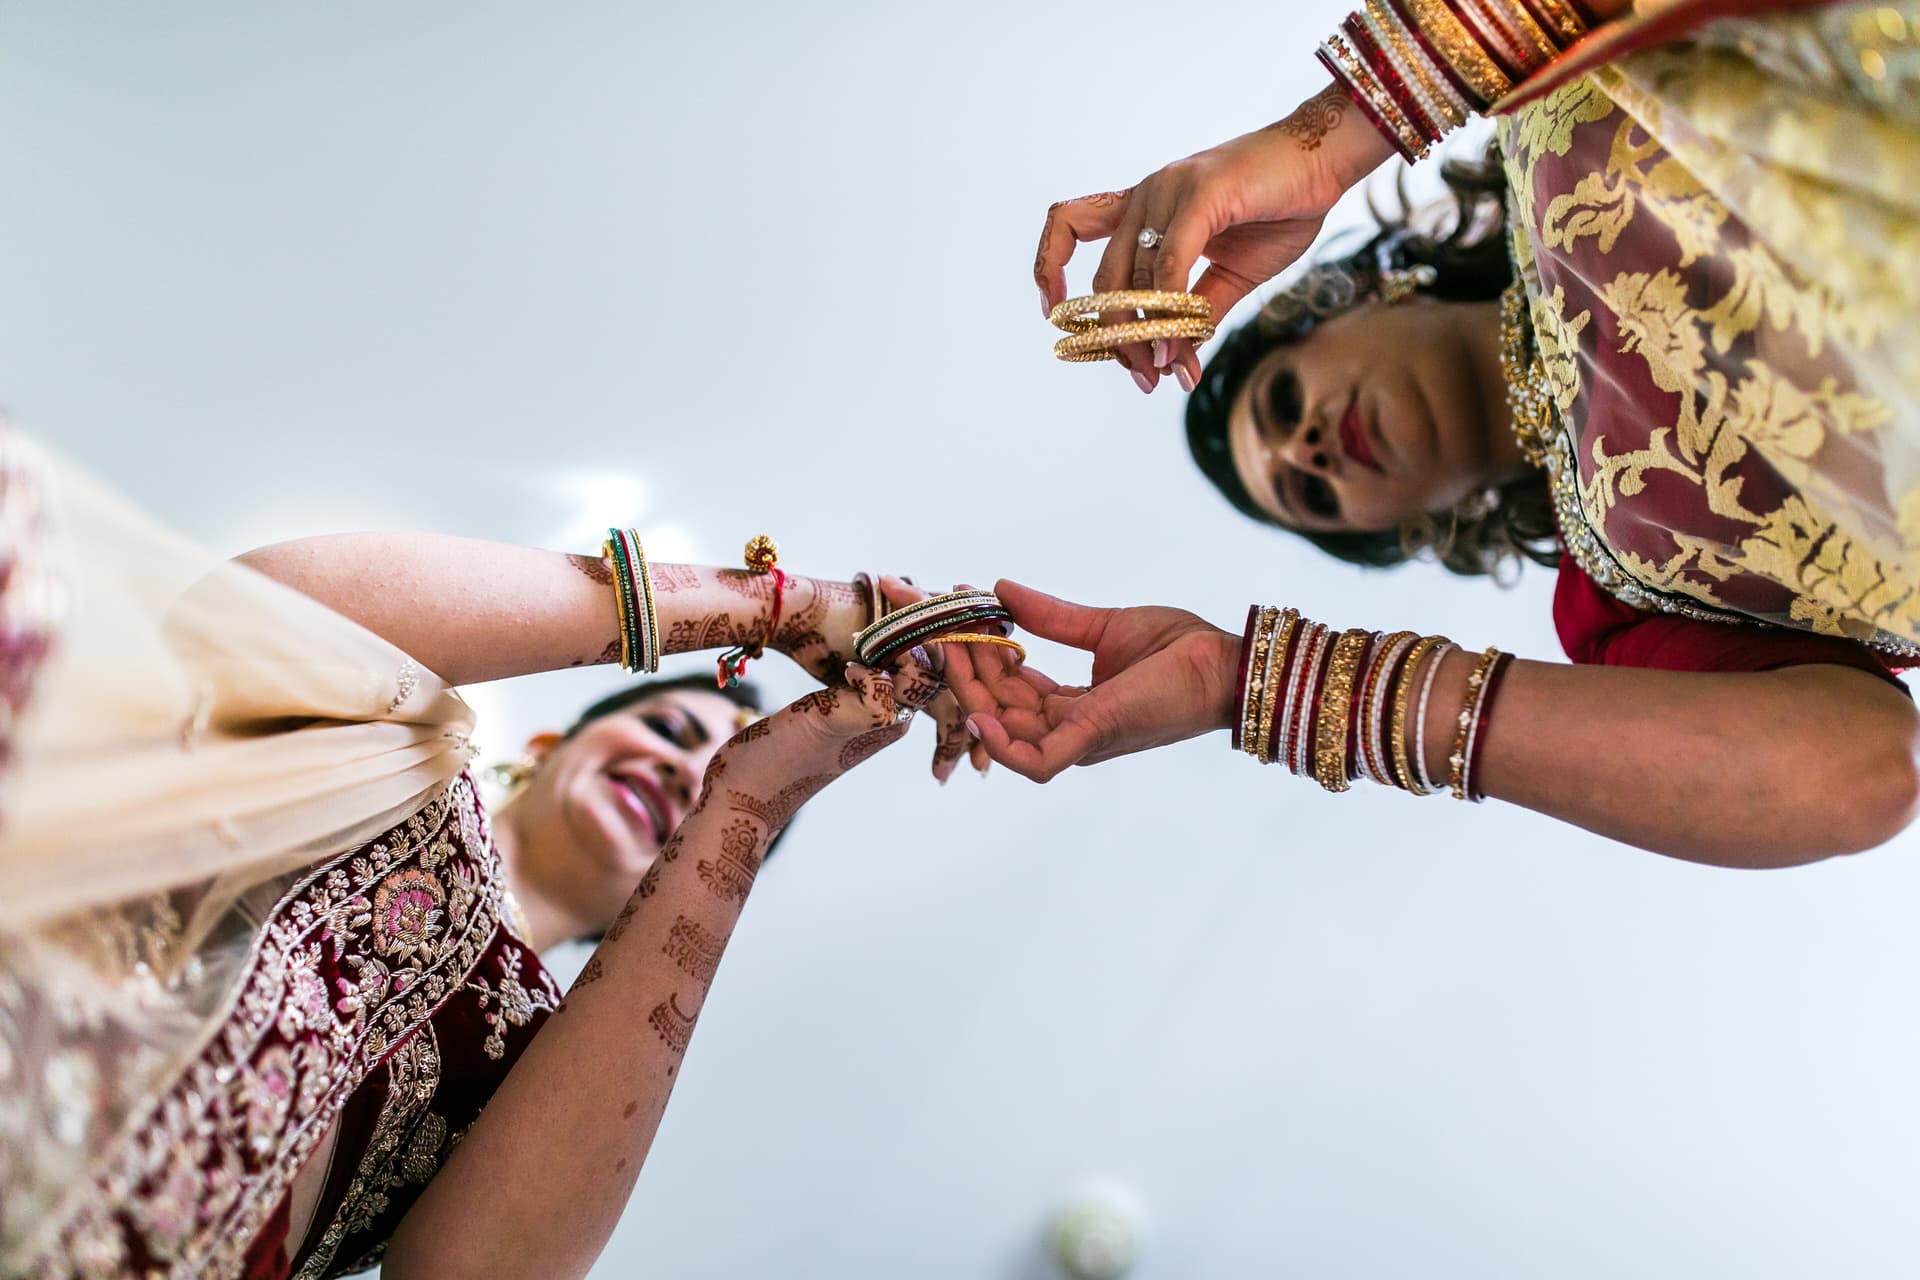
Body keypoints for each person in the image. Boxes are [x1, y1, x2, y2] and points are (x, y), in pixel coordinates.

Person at [959, 0, 1920, 862]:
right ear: (1406, 527)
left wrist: (1330, 136)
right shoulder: (1617, 608)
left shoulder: (1531, 109)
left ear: (1346, 301)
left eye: (1285, 404)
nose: (1310, 450)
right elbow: (1859, 775)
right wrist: (1258, 684)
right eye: (1312, 495)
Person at [0, 431, 955, 1279]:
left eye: (698, 788)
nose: (676, 772)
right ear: (545, 750)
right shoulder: (389, 749)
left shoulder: (554, 1063)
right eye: (668, 727)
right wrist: (776, 610)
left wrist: (745, 803)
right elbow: (249, 616)